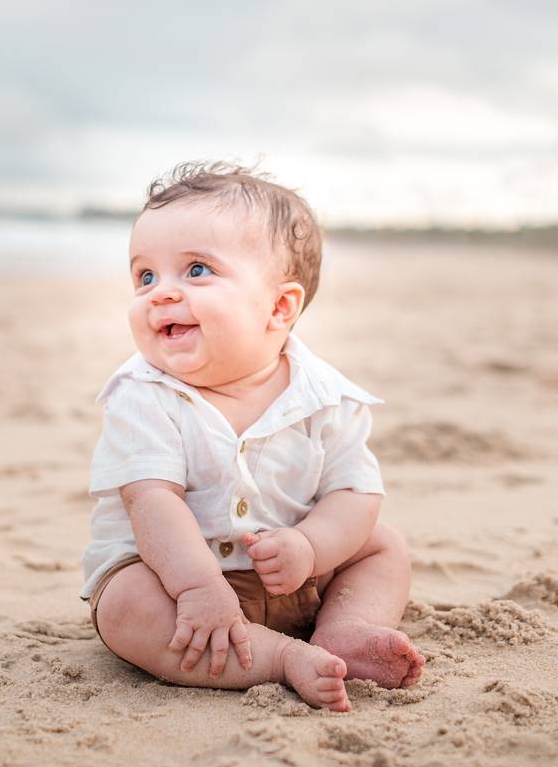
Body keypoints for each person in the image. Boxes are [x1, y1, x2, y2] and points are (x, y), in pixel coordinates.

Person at [80, 161, 425, 712]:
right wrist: (197, 587)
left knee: (383, 544)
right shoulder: (142, 395)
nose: (160, 293)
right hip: (180, 589)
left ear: (279, 307)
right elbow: (149, 499)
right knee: (122, 605)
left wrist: (313, 545)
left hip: (296, 577)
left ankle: (346, 627)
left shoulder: (327, 397)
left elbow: (354, 493)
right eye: (145, 276)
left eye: (195, 270)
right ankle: (278, 658)